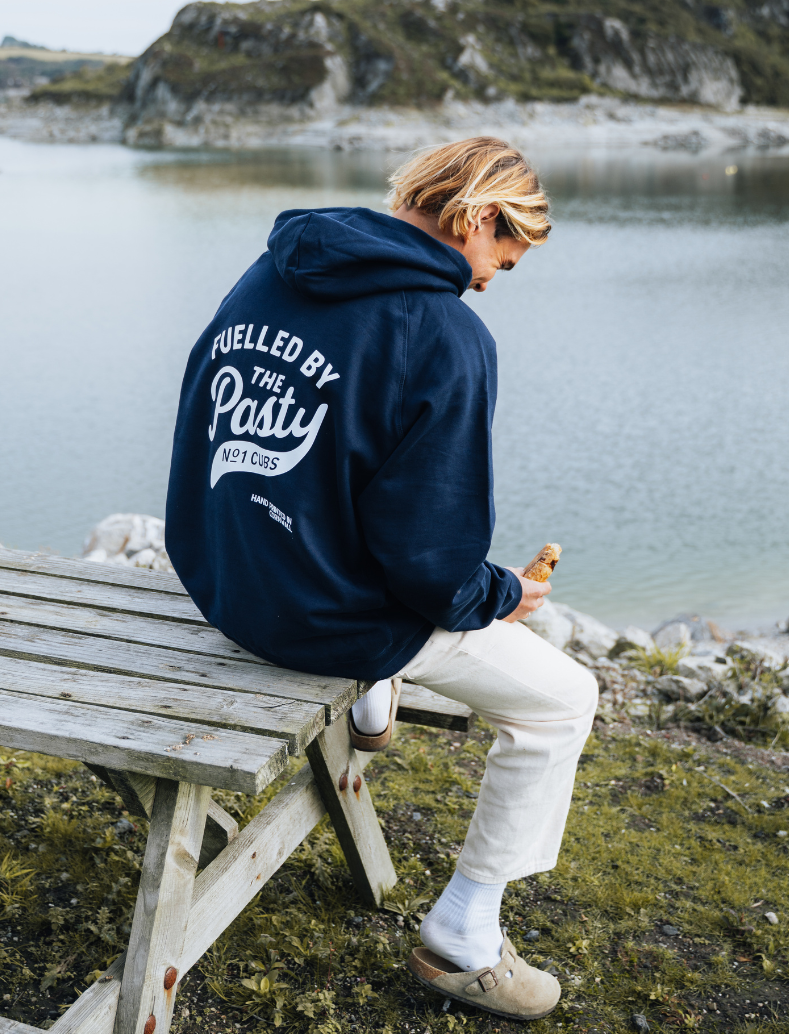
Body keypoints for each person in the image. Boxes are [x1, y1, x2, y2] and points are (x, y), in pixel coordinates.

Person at [165, 137, 598, 1022]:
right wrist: (503, 595)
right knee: (564, 700)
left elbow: (199, 419)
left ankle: (375, 692)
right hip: (321, 617)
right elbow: (432, 569)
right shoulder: (445, 335)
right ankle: (464, 939)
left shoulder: (273, 269)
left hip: (229, 581)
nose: (486, 284)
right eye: (496, 263)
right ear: (477, 217)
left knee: (351, 497)